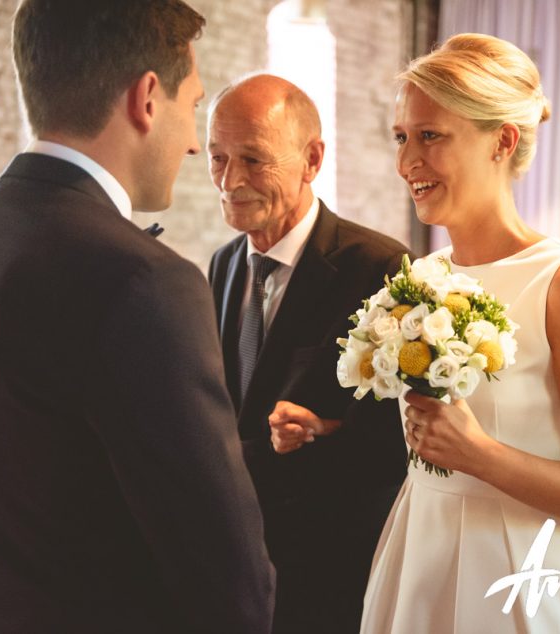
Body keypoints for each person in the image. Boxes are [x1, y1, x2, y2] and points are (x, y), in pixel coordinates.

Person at [0, 2, 274, 632]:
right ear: (146, 98)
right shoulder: (146, 280)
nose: (195, 142)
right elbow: (228, 581)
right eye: (191, 104)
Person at [361, 34, 560, 633]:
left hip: (520, 575)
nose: (407, 161)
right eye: (401, 137)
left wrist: (481, 455)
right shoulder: (426, 277)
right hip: (419, 556)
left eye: (430, 135)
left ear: (503, 141)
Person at [206, 74, 411, 634]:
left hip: (329, 565)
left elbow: (400, 443)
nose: (231, 180)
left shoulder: (379, 269)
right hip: (240, 557)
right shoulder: (223, 265)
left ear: (312, 159)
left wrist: (326, 429)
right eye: (217, 157)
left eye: (253, 159)